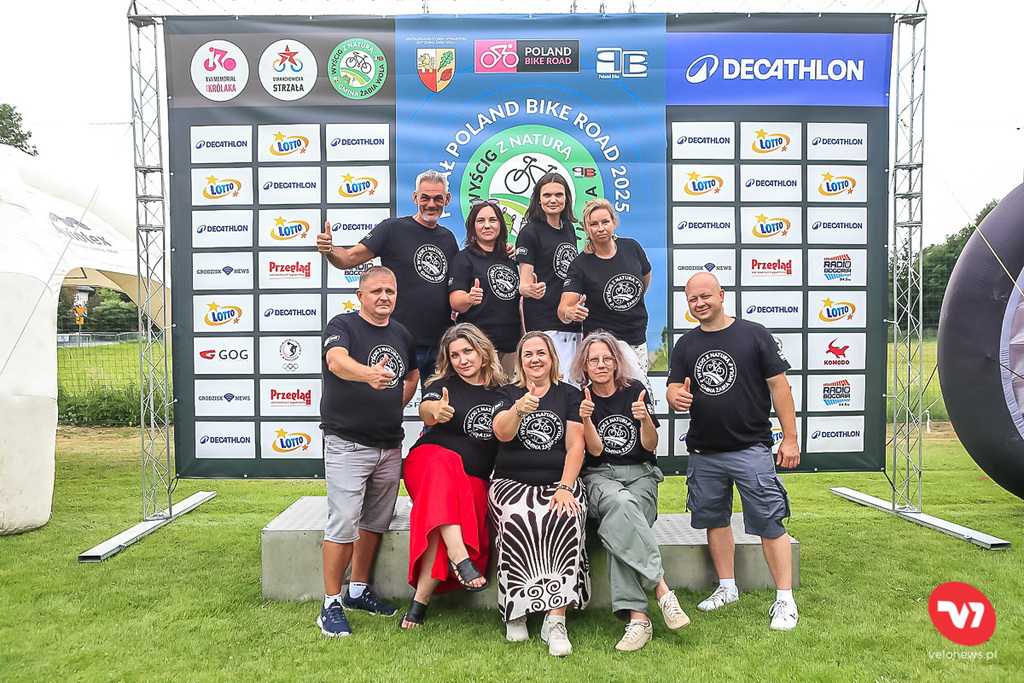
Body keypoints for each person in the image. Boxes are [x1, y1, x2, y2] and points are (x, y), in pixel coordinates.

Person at [666, 272, 801, 631]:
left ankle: (785, 599)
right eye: (693, 299)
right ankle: (727, 588)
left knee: (769, 522)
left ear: (722, 295)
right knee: (714, 520)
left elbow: (780, 387)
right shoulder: (686, 344)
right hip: (703, 451)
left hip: (751, 448)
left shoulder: (754, 334)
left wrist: (790, 438)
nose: (700, 303)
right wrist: (675, 397)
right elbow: (673, 387)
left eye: (705, 296)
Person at [568, 331, 690, 652]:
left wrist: (645, 419)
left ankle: (639, 621)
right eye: (593, 360)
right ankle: (662, 590)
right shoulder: (581, 397)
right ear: (584, 365)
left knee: (619, 527)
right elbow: (595, 451)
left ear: (616, 362)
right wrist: (586, 419)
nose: (601, 365)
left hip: (641, 475)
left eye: (607, 358)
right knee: (621, 504)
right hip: (601, 476)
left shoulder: (636, 390)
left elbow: (650, 445)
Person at [318, 266, 419, 637]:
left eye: (390, 291)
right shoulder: (343, 325)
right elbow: (335, 361)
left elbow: (412, 375)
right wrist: (368, 374)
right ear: (360, 295)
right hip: (348, 443)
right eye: (376, 291)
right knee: (344, 520)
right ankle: (330, 603)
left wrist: (395, 403)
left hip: (389, 445)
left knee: (376, 521)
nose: (384, 297)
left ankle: (358, 590)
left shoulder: (401, 333)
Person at [400, 323, 507, 629]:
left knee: (441, 515)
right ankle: (459, 556)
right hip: (428, 463)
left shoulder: (503, 391)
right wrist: (435, 411)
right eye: (455, 355)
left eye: (467, 351)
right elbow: (426, 407)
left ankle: (419, 603)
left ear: (482, 351)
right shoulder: (442, 384)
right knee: (445, 464)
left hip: (472, 478)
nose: (462, 360)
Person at [489, 331, 589, 657]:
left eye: (541, 353)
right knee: (518, 518)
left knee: (565, 516)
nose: (535, 359)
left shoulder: (569, 395)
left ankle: (555, 620)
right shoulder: (506, 393)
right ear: (520, 361)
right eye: (528, 354)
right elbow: (502, 433)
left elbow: (575, 446)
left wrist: (565, 486)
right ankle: (516, 611)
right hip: (510, 482)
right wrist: (518, 410)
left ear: (551, 358)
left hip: (558, 481)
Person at [317, 169, 459, 383]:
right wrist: (330, 250)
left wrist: (504, 253)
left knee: (439, 403)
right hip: (398, 341)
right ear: (415, 198)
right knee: (390, 400)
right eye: (425, 198)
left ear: (447, 199)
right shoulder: (392, 229)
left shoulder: (448, 238)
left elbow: (457, 285)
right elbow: (348, 259)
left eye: (438, 198)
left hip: (440, 344)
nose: (431, 204)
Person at [560, 198, 653, 377]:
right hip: (604, 344)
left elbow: (645, 279)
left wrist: (628, 303)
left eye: (605, 222)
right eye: (593, 224)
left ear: (614, 222)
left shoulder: (632, 247)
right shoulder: (580, 264)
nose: (601, 228)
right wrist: (569, 312)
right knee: (636, 387)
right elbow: (563, 308)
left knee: (636, 390)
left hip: (638, 337)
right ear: (585, 229)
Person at [515, 173, 582, 374]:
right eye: (547, 195)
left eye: (558, 195)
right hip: (544, 321)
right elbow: (524, 283)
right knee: (552, 380)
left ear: (567, 198)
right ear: (538, 199)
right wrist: (529, 289)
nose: (553, 200)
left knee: (573, 382)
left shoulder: (569, 228)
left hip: (571, 319)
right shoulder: (529, 232)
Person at [448, 199, 521, 376]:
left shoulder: (509, 258)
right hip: (478, 346)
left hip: (510, 346)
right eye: (481, 221)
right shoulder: (463, 259)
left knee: (507, 392)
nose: (487, 225)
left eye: (492, 220)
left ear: (501, 225)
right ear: (473, 226)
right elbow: (455, 302)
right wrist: (469, 298)